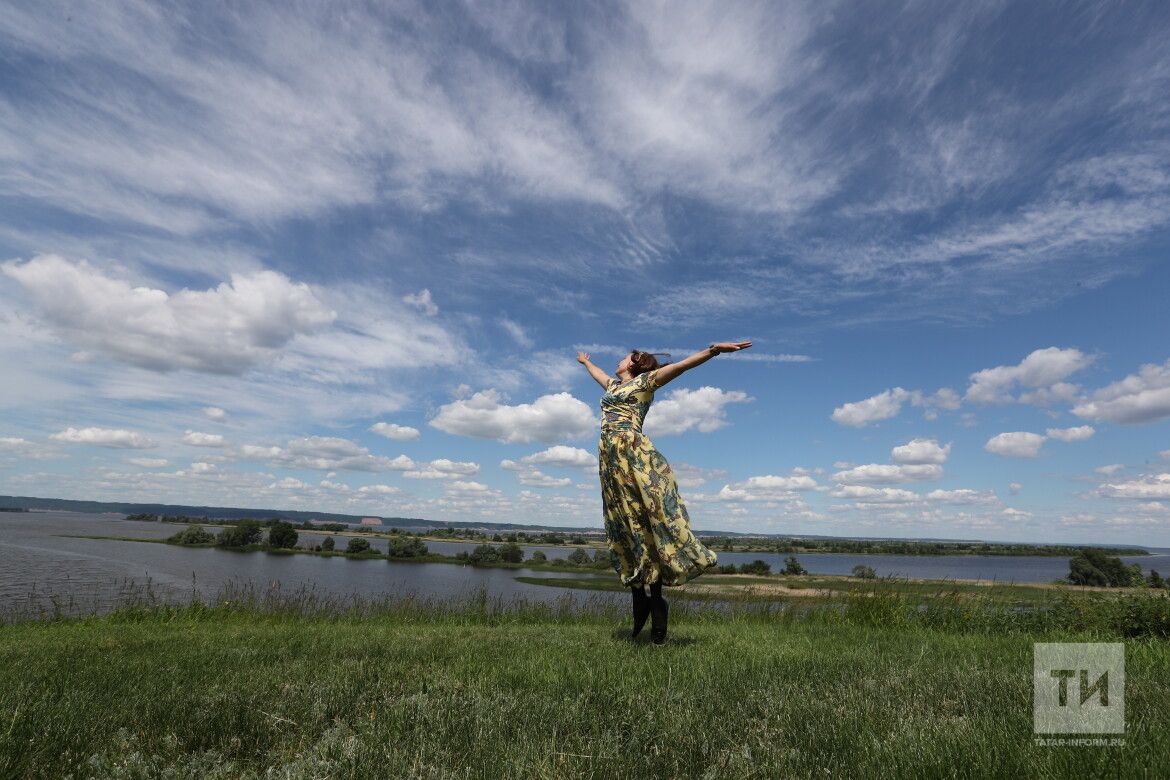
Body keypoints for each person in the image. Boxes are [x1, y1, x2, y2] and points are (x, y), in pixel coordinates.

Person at [577, 341, 752, 644]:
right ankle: (639, 599)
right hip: (611, 463)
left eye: (624, 357)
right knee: (624, 523)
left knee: (649, 519)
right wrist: (585, 363)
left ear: (635, 363)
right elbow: (599, 376)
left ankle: (656, 612)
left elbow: (682, 366)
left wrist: (713, 350)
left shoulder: (646, 383)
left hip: (634, 457)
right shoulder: (614, 386)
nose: (618, 359)